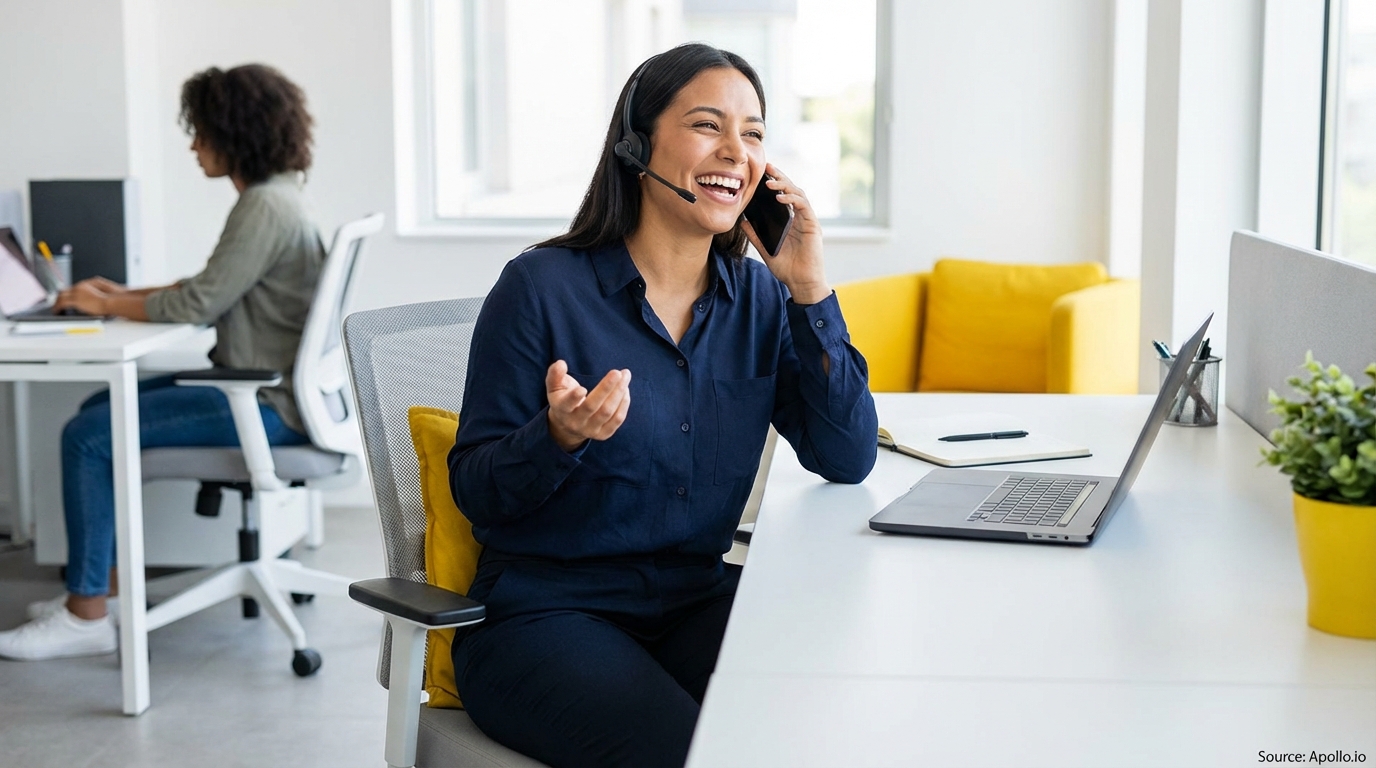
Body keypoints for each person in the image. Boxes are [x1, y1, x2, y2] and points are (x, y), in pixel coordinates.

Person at [448, 43, 878, 767]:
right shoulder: (538, 289)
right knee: (687, 751)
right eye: (708, 126)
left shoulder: (763, 301)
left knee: (834, 708)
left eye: (753, 133)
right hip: (548, 615)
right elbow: (476, 491)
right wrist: (557, 437)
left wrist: (810, 288)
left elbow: (846, 455)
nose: (736, 153)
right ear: (637, 145)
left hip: (692, 599)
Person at [0, 64, 324, 661]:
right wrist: (117, 294)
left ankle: (86, 617)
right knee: (99, 408)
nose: (193, 144)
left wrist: (106, 301)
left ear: (235, 133)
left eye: (200, 131)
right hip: (273, 393)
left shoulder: (263, 207)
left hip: (262, 402)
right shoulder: (280, 198)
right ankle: (106, 591)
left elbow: (199, 303)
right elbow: (209, 286)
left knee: (87, 436)